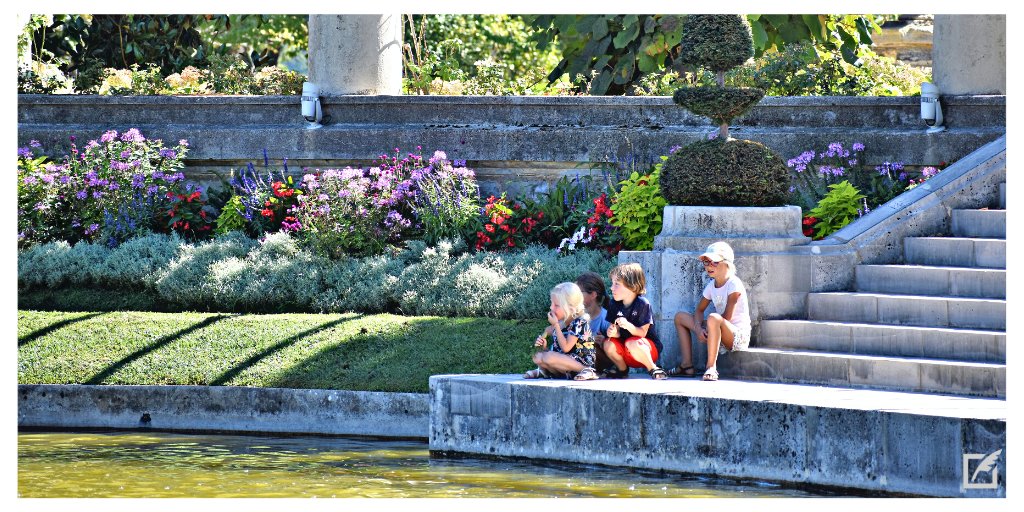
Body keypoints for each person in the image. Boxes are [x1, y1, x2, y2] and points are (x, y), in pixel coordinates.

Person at [671, 241, 751, 381]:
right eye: (706, 262)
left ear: (727, 264)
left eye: (714, 262)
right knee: (680, 317)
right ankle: (687, 365)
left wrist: (708, 326)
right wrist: (698, 329)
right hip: (717, 326)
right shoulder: (711, 286)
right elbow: (699, 310)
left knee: (714, 317)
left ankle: (711, 367)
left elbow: (727, 317)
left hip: (736, 335)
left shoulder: (734, 284)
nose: (708, 266)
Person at [602, 262, 667, 380]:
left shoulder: (642, 304)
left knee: (632, 342)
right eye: (612, 283)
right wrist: (613, 332)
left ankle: (653, 368)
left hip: (646, 349)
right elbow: (615, 331)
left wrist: (627, 325)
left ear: (632, 286)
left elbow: (642, 332)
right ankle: (622, 369)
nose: (612, 288)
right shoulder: (613, 303)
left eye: (617, 284)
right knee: (608, 343)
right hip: (626, 352)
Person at [523, 282, 599, 381]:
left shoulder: (579, 322)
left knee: (549, 357)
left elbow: (566, 348)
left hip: (580, 361)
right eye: (552, 303)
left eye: (556, 305)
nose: (551, 307)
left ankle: (587, 370)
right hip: (565, 362)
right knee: (537, 356)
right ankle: (545, 372)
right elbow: (557, 351)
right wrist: (544, 348)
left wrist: (556, 326)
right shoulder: (561, 323)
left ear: (571, 308)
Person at [576, 271, 612, 373]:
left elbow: (615, 349)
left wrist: (604, 341)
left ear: (593, 295)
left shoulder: (605, 318)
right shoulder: (574, 316)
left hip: (599, 362)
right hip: (576, 358)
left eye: (579, 293)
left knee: (589, 346)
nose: (574, 296)